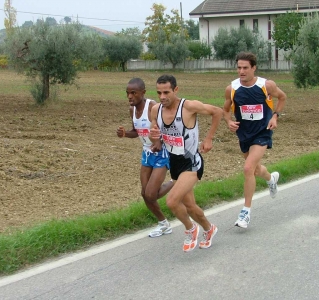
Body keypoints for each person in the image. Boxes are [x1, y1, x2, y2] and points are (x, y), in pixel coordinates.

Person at [150, 74, 223, 252]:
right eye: (159, 92)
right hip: (174, 163)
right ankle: (209, 228)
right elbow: (155, 132)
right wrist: (155, 139)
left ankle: (191, 229)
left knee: (172, 201)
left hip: (192, 163)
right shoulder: (155, 110)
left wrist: (209, 138)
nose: (162, 97)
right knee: (190, 206)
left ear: (176, 90)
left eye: (166, 92)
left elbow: (217, 112)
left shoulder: (188, 107)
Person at [223, 51, 287, 229]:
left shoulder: (266, 85)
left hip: (262, 132)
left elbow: (282, 97)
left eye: (245, 68)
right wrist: (228, 121)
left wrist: (275, 117)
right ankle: (271, 178)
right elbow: (225, 109)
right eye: (239, 67)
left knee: (248, 168)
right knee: (256, 169)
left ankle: (246, 211)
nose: (241, 71)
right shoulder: (232, 88)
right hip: (244, 133)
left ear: (253, 68)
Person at [116, 78, 174, 238]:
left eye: (133, 93)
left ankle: (177, 182)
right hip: (147, 152)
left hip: (161, 152)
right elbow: (137, 131)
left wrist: (158, 142)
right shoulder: (132, 110)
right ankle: (164, 225)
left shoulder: (152, 107)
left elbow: (167, 127)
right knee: (145, 193)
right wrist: (124, 134)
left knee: (151, 194)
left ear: (143, 92)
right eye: (127, 93)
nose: (129, 96)